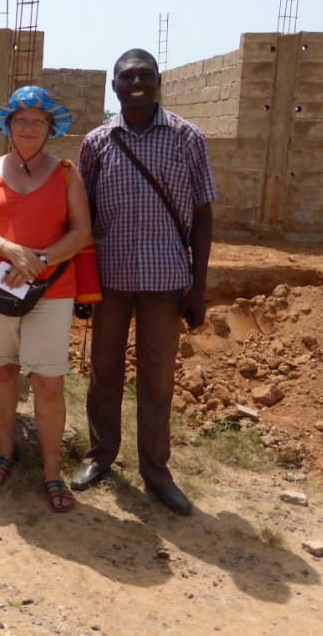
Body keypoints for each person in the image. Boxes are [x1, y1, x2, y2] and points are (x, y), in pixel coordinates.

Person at [71, 49, 218, 516]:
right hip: (111, 279)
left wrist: (198, 286)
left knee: (157, 380)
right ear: (114, 85)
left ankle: (156, 473)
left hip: (166, 281)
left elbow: (203, 214)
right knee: (104, 372)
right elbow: (83, 218)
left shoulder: (187, 138)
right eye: (127, 76)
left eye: (145, 75)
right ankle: (100, 456)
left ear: (158, 82)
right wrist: (82, 284)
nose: (136, 82)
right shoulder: (96, 143)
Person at [0, 87, 90, 512]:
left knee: (48, 383)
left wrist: (39, 259)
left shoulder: (67, 173)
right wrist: (10, 251)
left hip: (52, 290)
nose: (29, 127)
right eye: (21, 120)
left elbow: (80, 232)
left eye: (38, 120)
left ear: (50, 128)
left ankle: (52, 473)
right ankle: (5, 451)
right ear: (8, 127)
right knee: (3, 373)